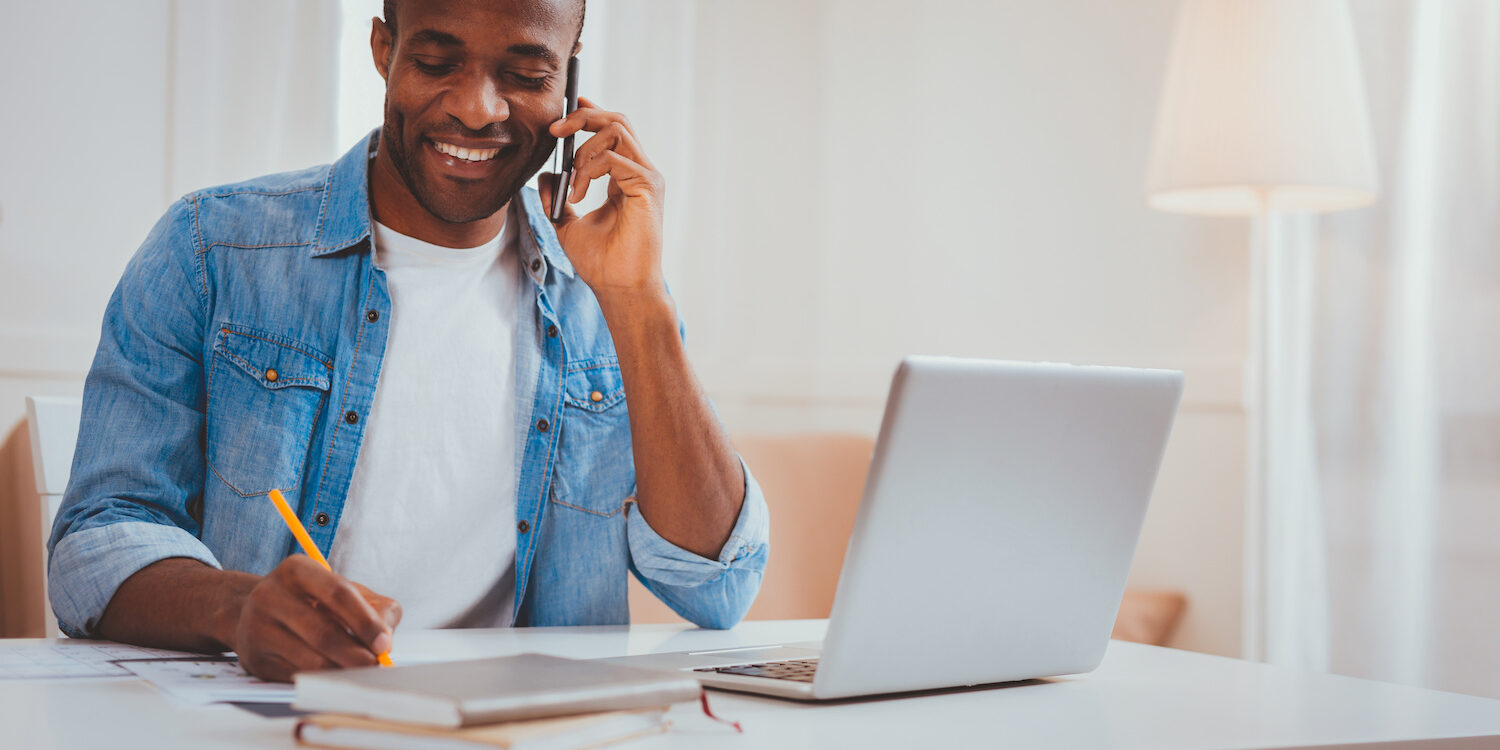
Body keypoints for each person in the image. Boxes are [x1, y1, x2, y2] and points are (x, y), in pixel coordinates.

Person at [46, 0, 768, 683]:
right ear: (382, 49)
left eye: (526, 76)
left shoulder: (606, 290)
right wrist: (236, 608)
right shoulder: (212, 249)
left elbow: (718, 587)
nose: (477, 108)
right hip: (279, 724)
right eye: (436, 62)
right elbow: (97, 541)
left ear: (569, 83)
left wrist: (638, 303)